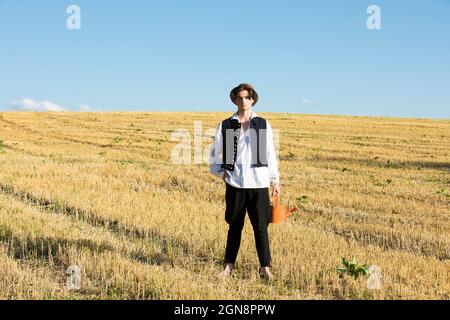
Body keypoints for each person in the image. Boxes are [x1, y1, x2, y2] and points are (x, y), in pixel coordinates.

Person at [209, 83, 280, 280]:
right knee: (234, 226)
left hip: (259, 184)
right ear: (234, 100)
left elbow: (270, 154)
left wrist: (275, 180)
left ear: (252, 100)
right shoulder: (226, 124)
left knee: (261, 228)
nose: (242, 101)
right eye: (239, 98)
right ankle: (228, 266)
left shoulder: (263, 124)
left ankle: (265, 268)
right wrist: (220, 172)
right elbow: (215, 153)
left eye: (246, 98)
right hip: (236, 184)